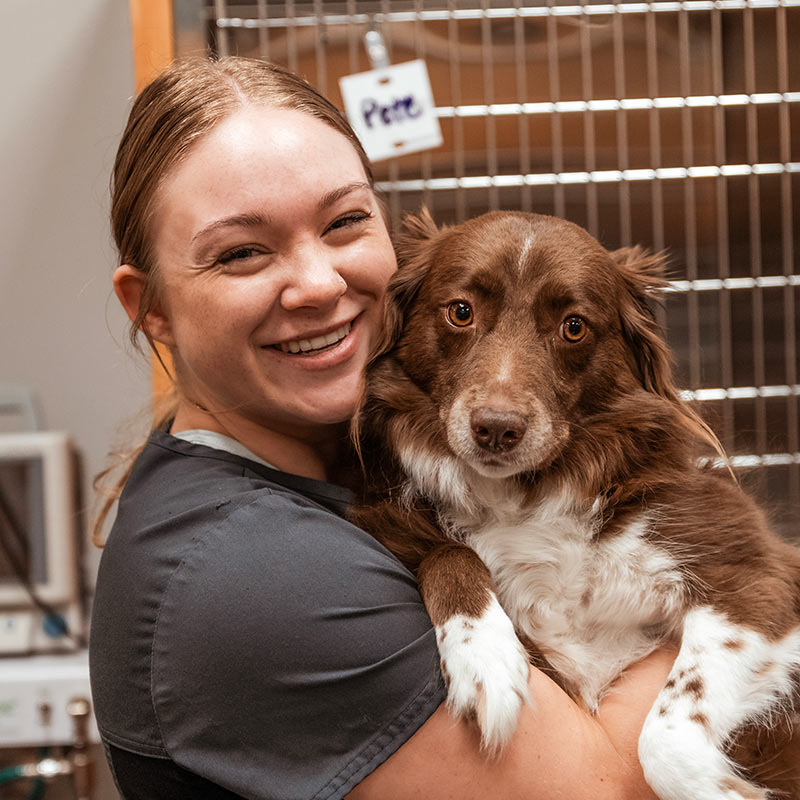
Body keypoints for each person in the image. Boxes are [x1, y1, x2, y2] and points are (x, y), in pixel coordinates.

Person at [89, 56, 675, 800]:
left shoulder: (350, 483)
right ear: (154, 307)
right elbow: (610, 787)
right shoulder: (259, 576)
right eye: (241, 252)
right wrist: (716, 592)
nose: (320, 284)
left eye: (344, 223)